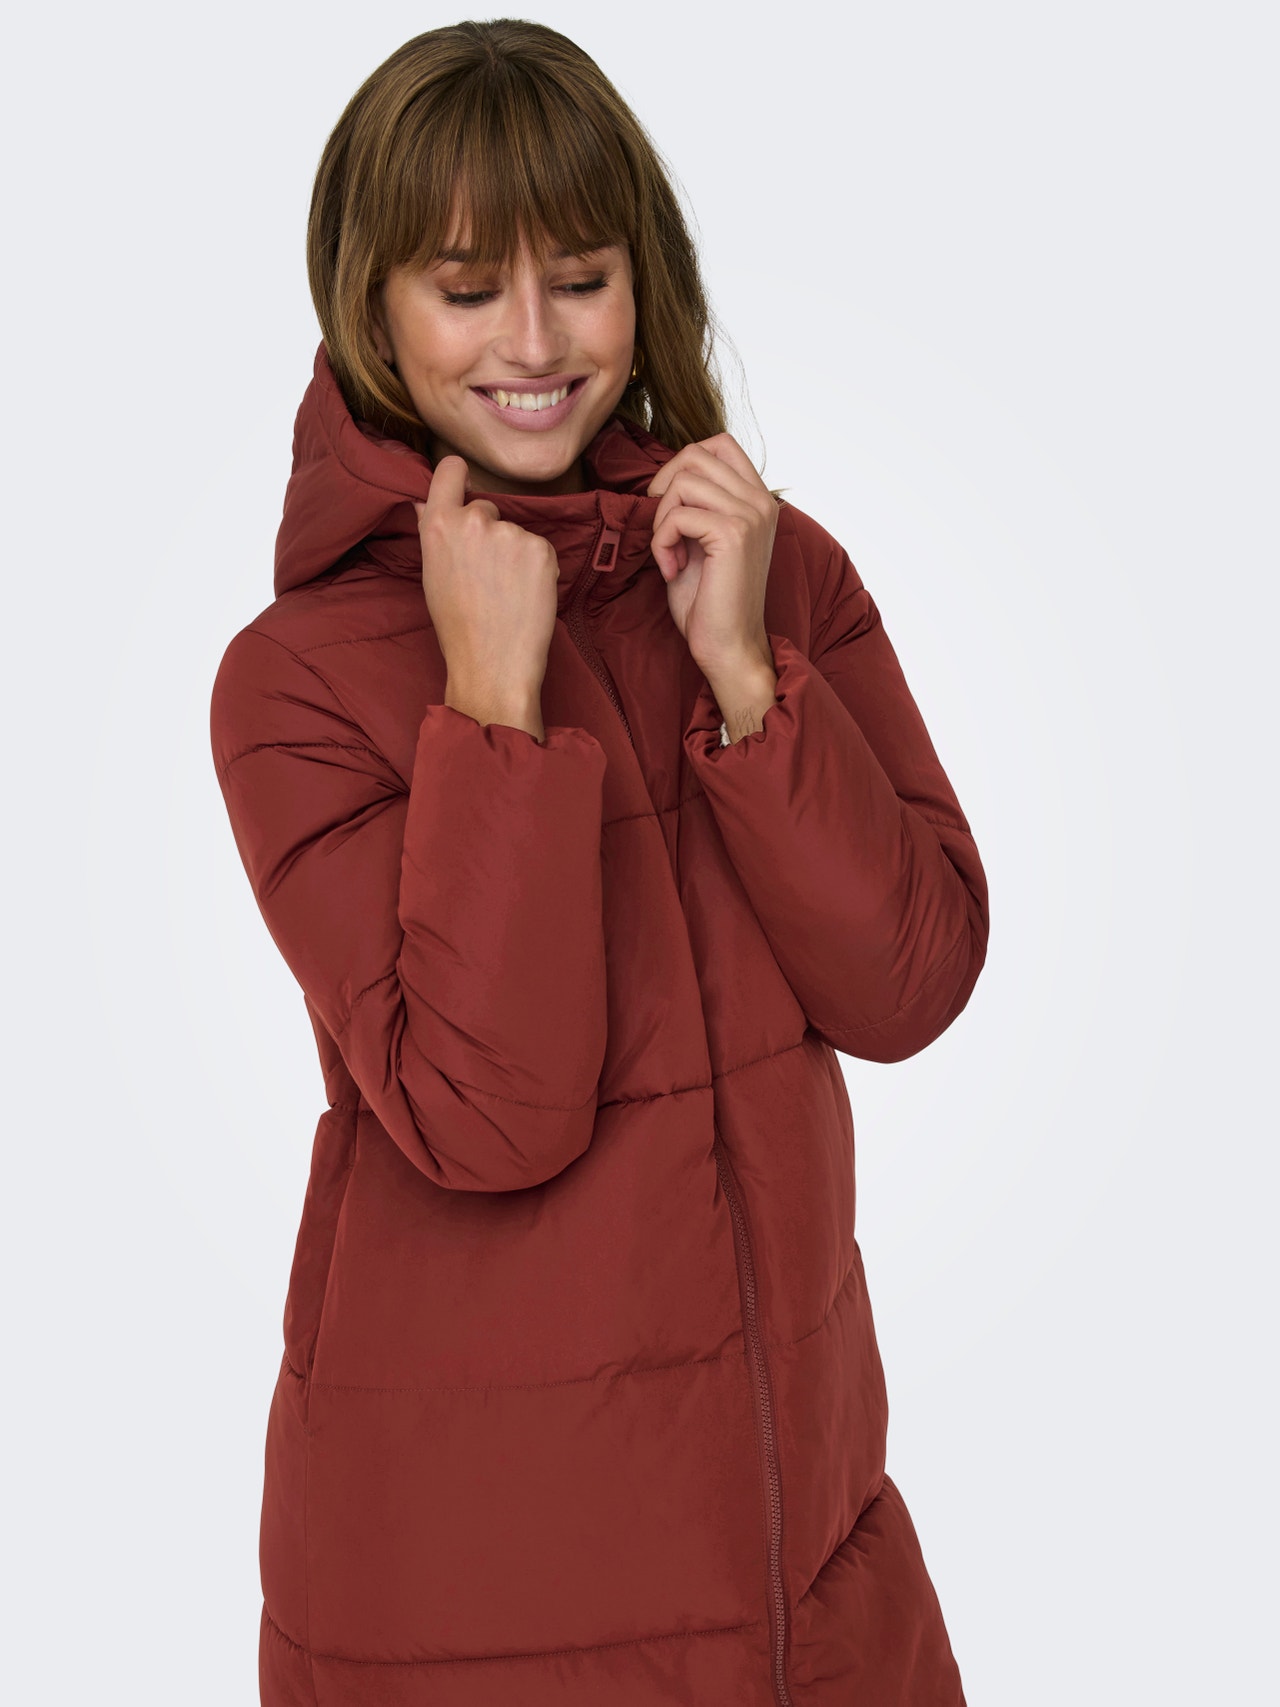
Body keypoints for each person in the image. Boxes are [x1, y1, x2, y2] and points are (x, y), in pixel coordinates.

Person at [209, 18, 990, 1707]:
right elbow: (486, 1118)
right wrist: (491, 706)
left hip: (803, 1564)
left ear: (646, 282)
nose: (536, 342)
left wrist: (747, 681)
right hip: (475, 1596)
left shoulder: (770, 569)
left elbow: (912, 983)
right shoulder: (296, 683)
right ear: (371, 307)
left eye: (581, 277)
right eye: (465, 288)